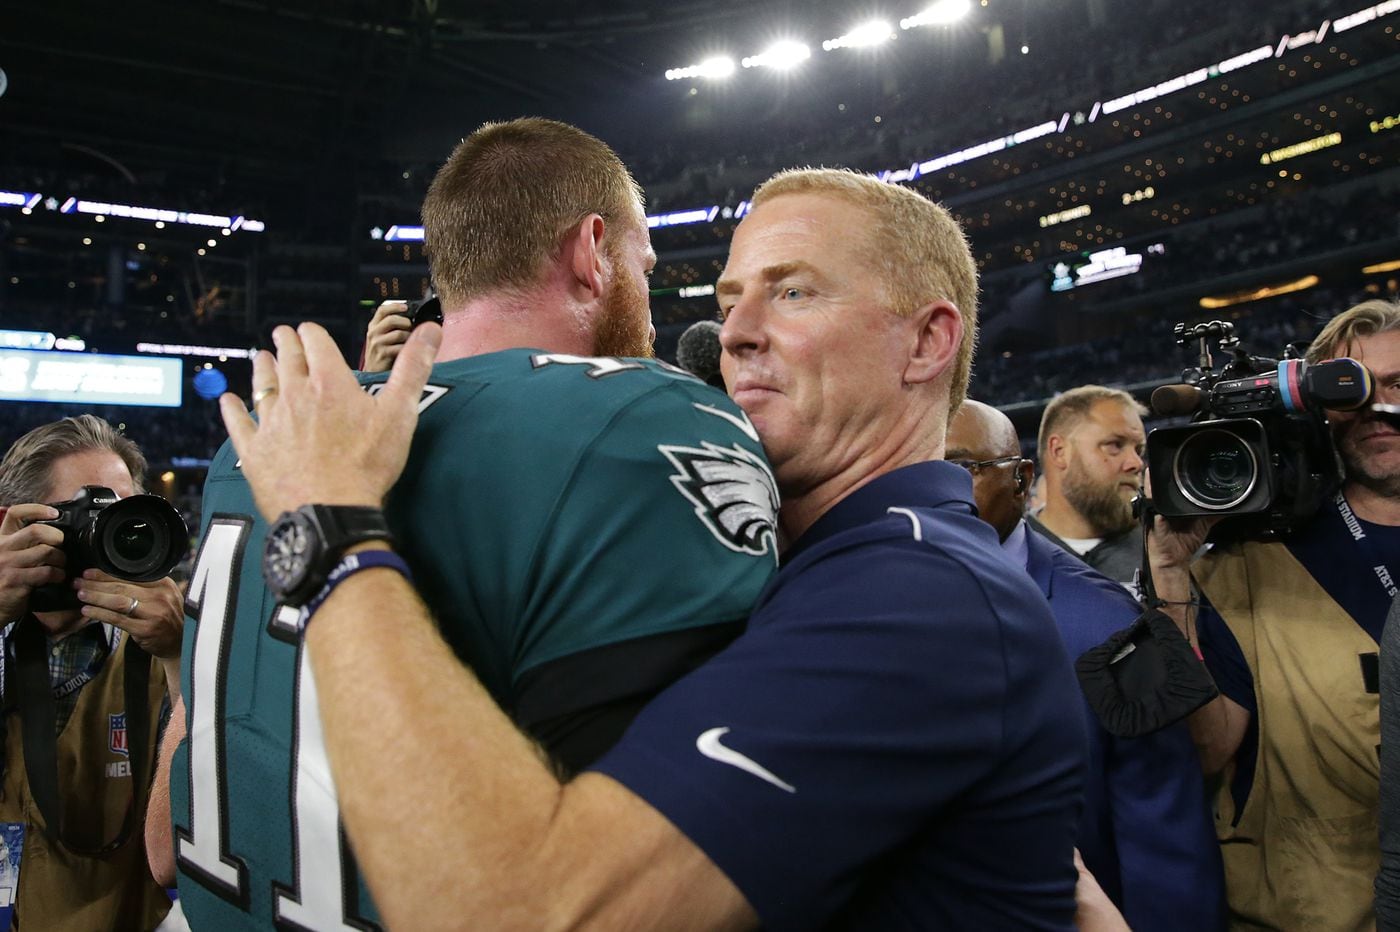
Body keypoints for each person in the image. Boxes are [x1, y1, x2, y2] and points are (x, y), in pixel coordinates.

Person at [221, 167, 1089, 929]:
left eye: (792, 293)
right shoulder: (833, 564)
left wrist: (328, 524)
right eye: (727, 299)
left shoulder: (919, 596)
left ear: (927, 342)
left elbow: (529, 915)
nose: (734, 333)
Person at [160, 118, 779, 928]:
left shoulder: (274, 442)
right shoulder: (644, 417)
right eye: (643, 264)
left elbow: (160, 844)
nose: (652, 301)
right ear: (592, 250)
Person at [1150, 298, 1400, 930]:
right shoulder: (1249, 566)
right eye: (1351, 387)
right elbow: (1206, 752)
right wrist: (1172, 574)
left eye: (1397, 384)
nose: (1374, 406)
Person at [946, 399, 1224, 931]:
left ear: (1023, 477)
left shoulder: (1112, 621)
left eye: (960, 470)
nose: (934, 492)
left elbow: (1166, 839)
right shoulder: (875, 598)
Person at [0, 415, 183, 930]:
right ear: (13, 524)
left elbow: (208, 823)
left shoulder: (167, 636)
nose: (108, 531)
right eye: (84, 513)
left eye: (123, 513)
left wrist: (181, 658)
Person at [1031, 385, 1148, 592]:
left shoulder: (1166, 551)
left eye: (1138, 450)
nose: (1136, 463)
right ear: (1059, 452)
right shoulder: (1005, 554)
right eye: (1115, 445)